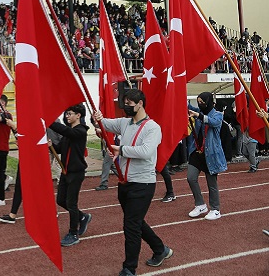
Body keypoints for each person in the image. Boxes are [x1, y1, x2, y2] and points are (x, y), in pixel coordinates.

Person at [93, 89, 172, 276]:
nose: (126, 107)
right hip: (124, 183)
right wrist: (96, 117)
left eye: (129, 103)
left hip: (143, 184)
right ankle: (160, 249)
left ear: (140, 104)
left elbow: (145, 151)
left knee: (131, 226)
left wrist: (121, 149)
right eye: (125, 103)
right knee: (135, 222)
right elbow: (104, 123)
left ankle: (129, 269)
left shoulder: (153, 128)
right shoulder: (124, 123)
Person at [48, 104, 92, 247]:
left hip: (76, 172)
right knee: (61, 200)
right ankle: (82, 216)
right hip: (65, 171)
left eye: (70, 114)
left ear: (78, 115)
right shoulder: (68, 134)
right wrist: (51, 145)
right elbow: (60, 148)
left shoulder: (80, 131)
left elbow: (66, 131)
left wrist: (48, 121)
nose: (67, 116)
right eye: (66, 114)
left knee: (71, 203)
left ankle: (73, 233)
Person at [186, 92, 227, 220]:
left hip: (211, 154)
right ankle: (200, 205)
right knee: (191, 178)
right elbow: (187, 107)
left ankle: (215, 209)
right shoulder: (198, 111)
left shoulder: (218, 115)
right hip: (196, 152)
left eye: (202, 102)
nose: (200, 104)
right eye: (198, 102)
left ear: (208, 101)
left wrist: (199, 115)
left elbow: (213, 122)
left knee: (211, 184)